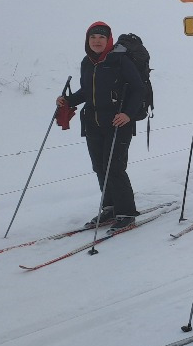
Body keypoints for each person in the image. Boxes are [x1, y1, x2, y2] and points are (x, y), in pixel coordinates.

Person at [57, 22, 145, 231]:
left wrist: (128, 114)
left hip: (118, 121)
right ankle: (110, 208)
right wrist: (68, 100)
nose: (96, 41)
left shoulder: (120, 60)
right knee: (99, 167)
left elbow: (138, 89)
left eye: (101, 38)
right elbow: (87, 91)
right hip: (93, 122)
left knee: (114, 167)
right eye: (93, 37)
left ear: (109, 40)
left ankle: (126, 212)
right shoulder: (87, 62)